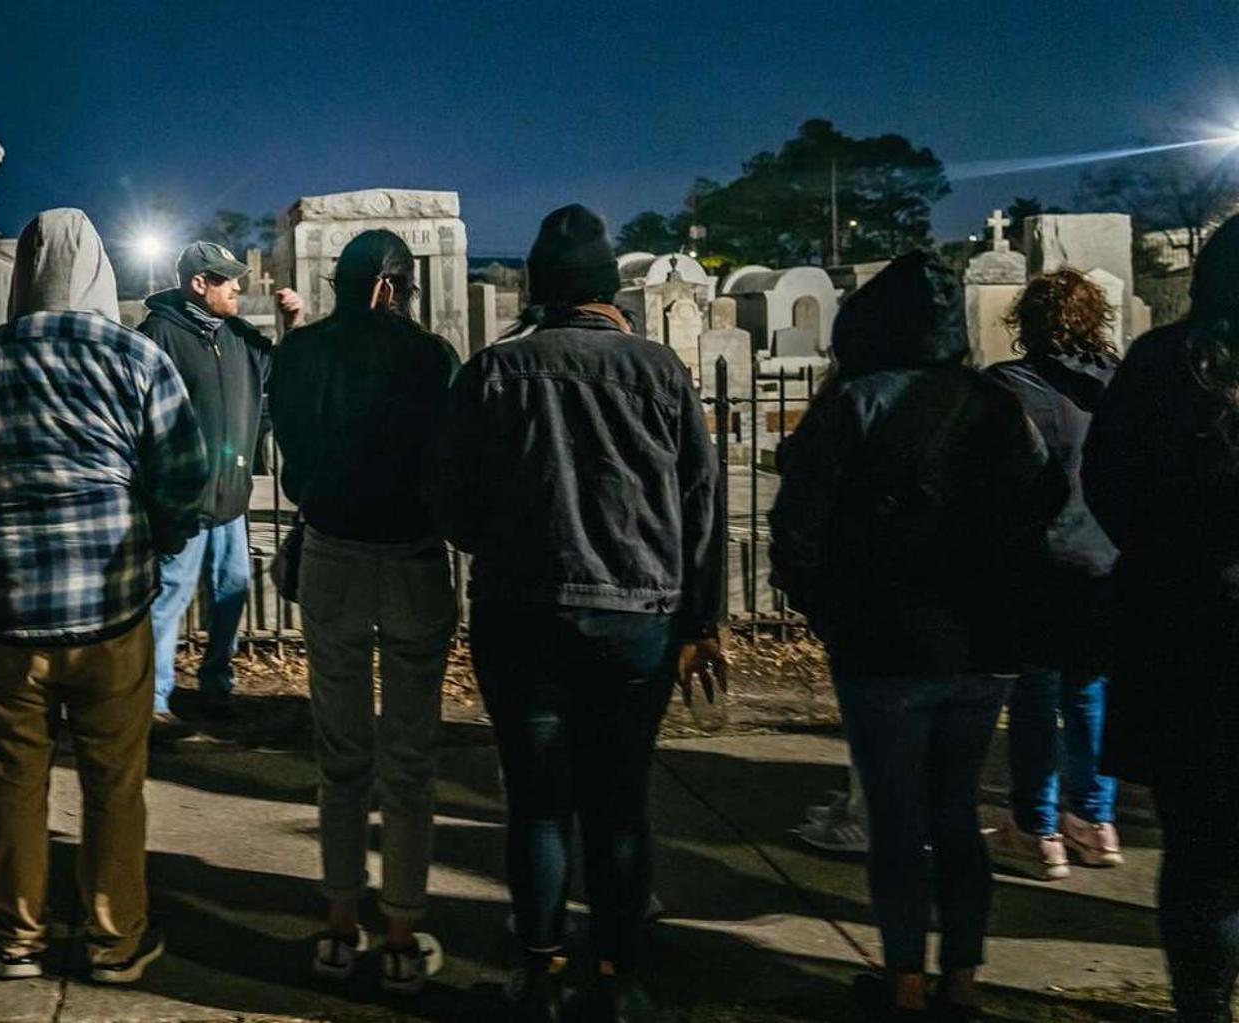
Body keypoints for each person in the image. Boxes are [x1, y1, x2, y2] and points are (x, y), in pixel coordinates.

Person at [427, 204, 723, 1021]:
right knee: (620, 799)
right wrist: (701, 621)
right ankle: (622, 972)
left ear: (540, 291)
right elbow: (701, 504)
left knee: (537, 799)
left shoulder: (491, 372)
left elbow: (453, 507)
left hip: (523, 614)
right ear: (608, 293)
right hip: (637, 614)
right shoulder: (659, 372)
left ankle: (539, 966)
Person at [0, 208, 207, 985]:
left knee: (15, 778)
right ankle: (115, 938)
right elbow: (186, 479)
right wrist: (157, 535)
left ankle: (17, 935)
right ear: (103, 276)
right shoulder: (137, 359)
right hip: (112, 612)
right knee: (116, 781)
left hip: (8, 618)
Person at [769, 250, 1056, 1022]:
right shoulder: (995, 405)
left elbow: (795, 532)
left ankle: (902, 981)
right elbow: (1041, 505)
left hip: (884, 646)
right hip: (980, 645)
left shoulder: (853, 405)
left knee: (896, 819)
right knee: (957, 814)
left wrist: (830, 613)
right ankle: (961, 980)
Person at [267, 228, 460, 995]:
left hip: (334, 552)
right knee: (410, 758)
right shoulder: (430, 357)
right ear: (391, 283)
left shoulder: (301, 353)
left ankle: (340, 922)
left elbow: (294, 465)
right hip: (412, 556)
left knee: (340, 750)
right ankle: (404, 929)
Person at [1083, 219, 1239, 1023]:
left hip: (1188, 636)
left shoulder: (1161, 365)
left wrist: (1169, 554)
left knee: (1202, 851)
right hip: (1195, 632)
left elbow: (1107, 480)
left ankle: (1203, 1005)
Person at [981, 269, 1123, 882]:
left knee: (1035, 695)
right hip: (1102, 558)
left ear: (1026, 323)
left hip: (1034, 561)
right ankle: (1095, 822)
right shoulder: (1116, 385)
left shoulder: (1006, 386)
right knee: (1089, 691)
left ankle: (1037, 831)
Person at [135, 242, 300, 718]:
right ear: (198, 284)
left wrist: (291, 327)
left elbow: (282, 374)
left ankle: (216, 681)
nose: (237, 286)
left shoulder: (238, 336)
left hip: (231, 498)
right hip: (183, 501)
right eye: (225, 279)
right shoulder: (159, 335)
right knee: (169, 598)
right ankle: (154, 699)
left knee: (231, 589)